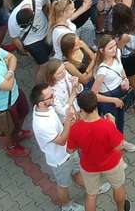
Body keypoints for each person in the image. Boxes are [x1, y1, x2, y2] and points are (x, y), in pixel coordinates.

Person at [65, 90, 129, 211]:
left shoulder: (75, 128)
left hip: (89, 166)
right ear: (96, 105)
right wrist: (113, 124)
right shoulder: (107, 125)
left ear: (81, 108)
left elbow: (69, 150)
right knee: (118, 187)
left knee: (91, 195)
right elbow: (119, 146)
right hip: (111, 164)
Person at [32, 82, 91, 211]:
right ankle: (66, 206)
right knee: (63, 185)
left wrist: (73, 94)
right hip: (60, 159)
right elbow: (61, 141)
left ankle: (91, 188)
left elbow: (62, 110)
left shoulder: (46, 106)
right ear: (41, 103)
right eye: (51, 95)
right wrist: (68, 122)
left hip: (69, 151)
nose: (54, 96)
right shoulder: (42, 124)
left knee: (78, 171)